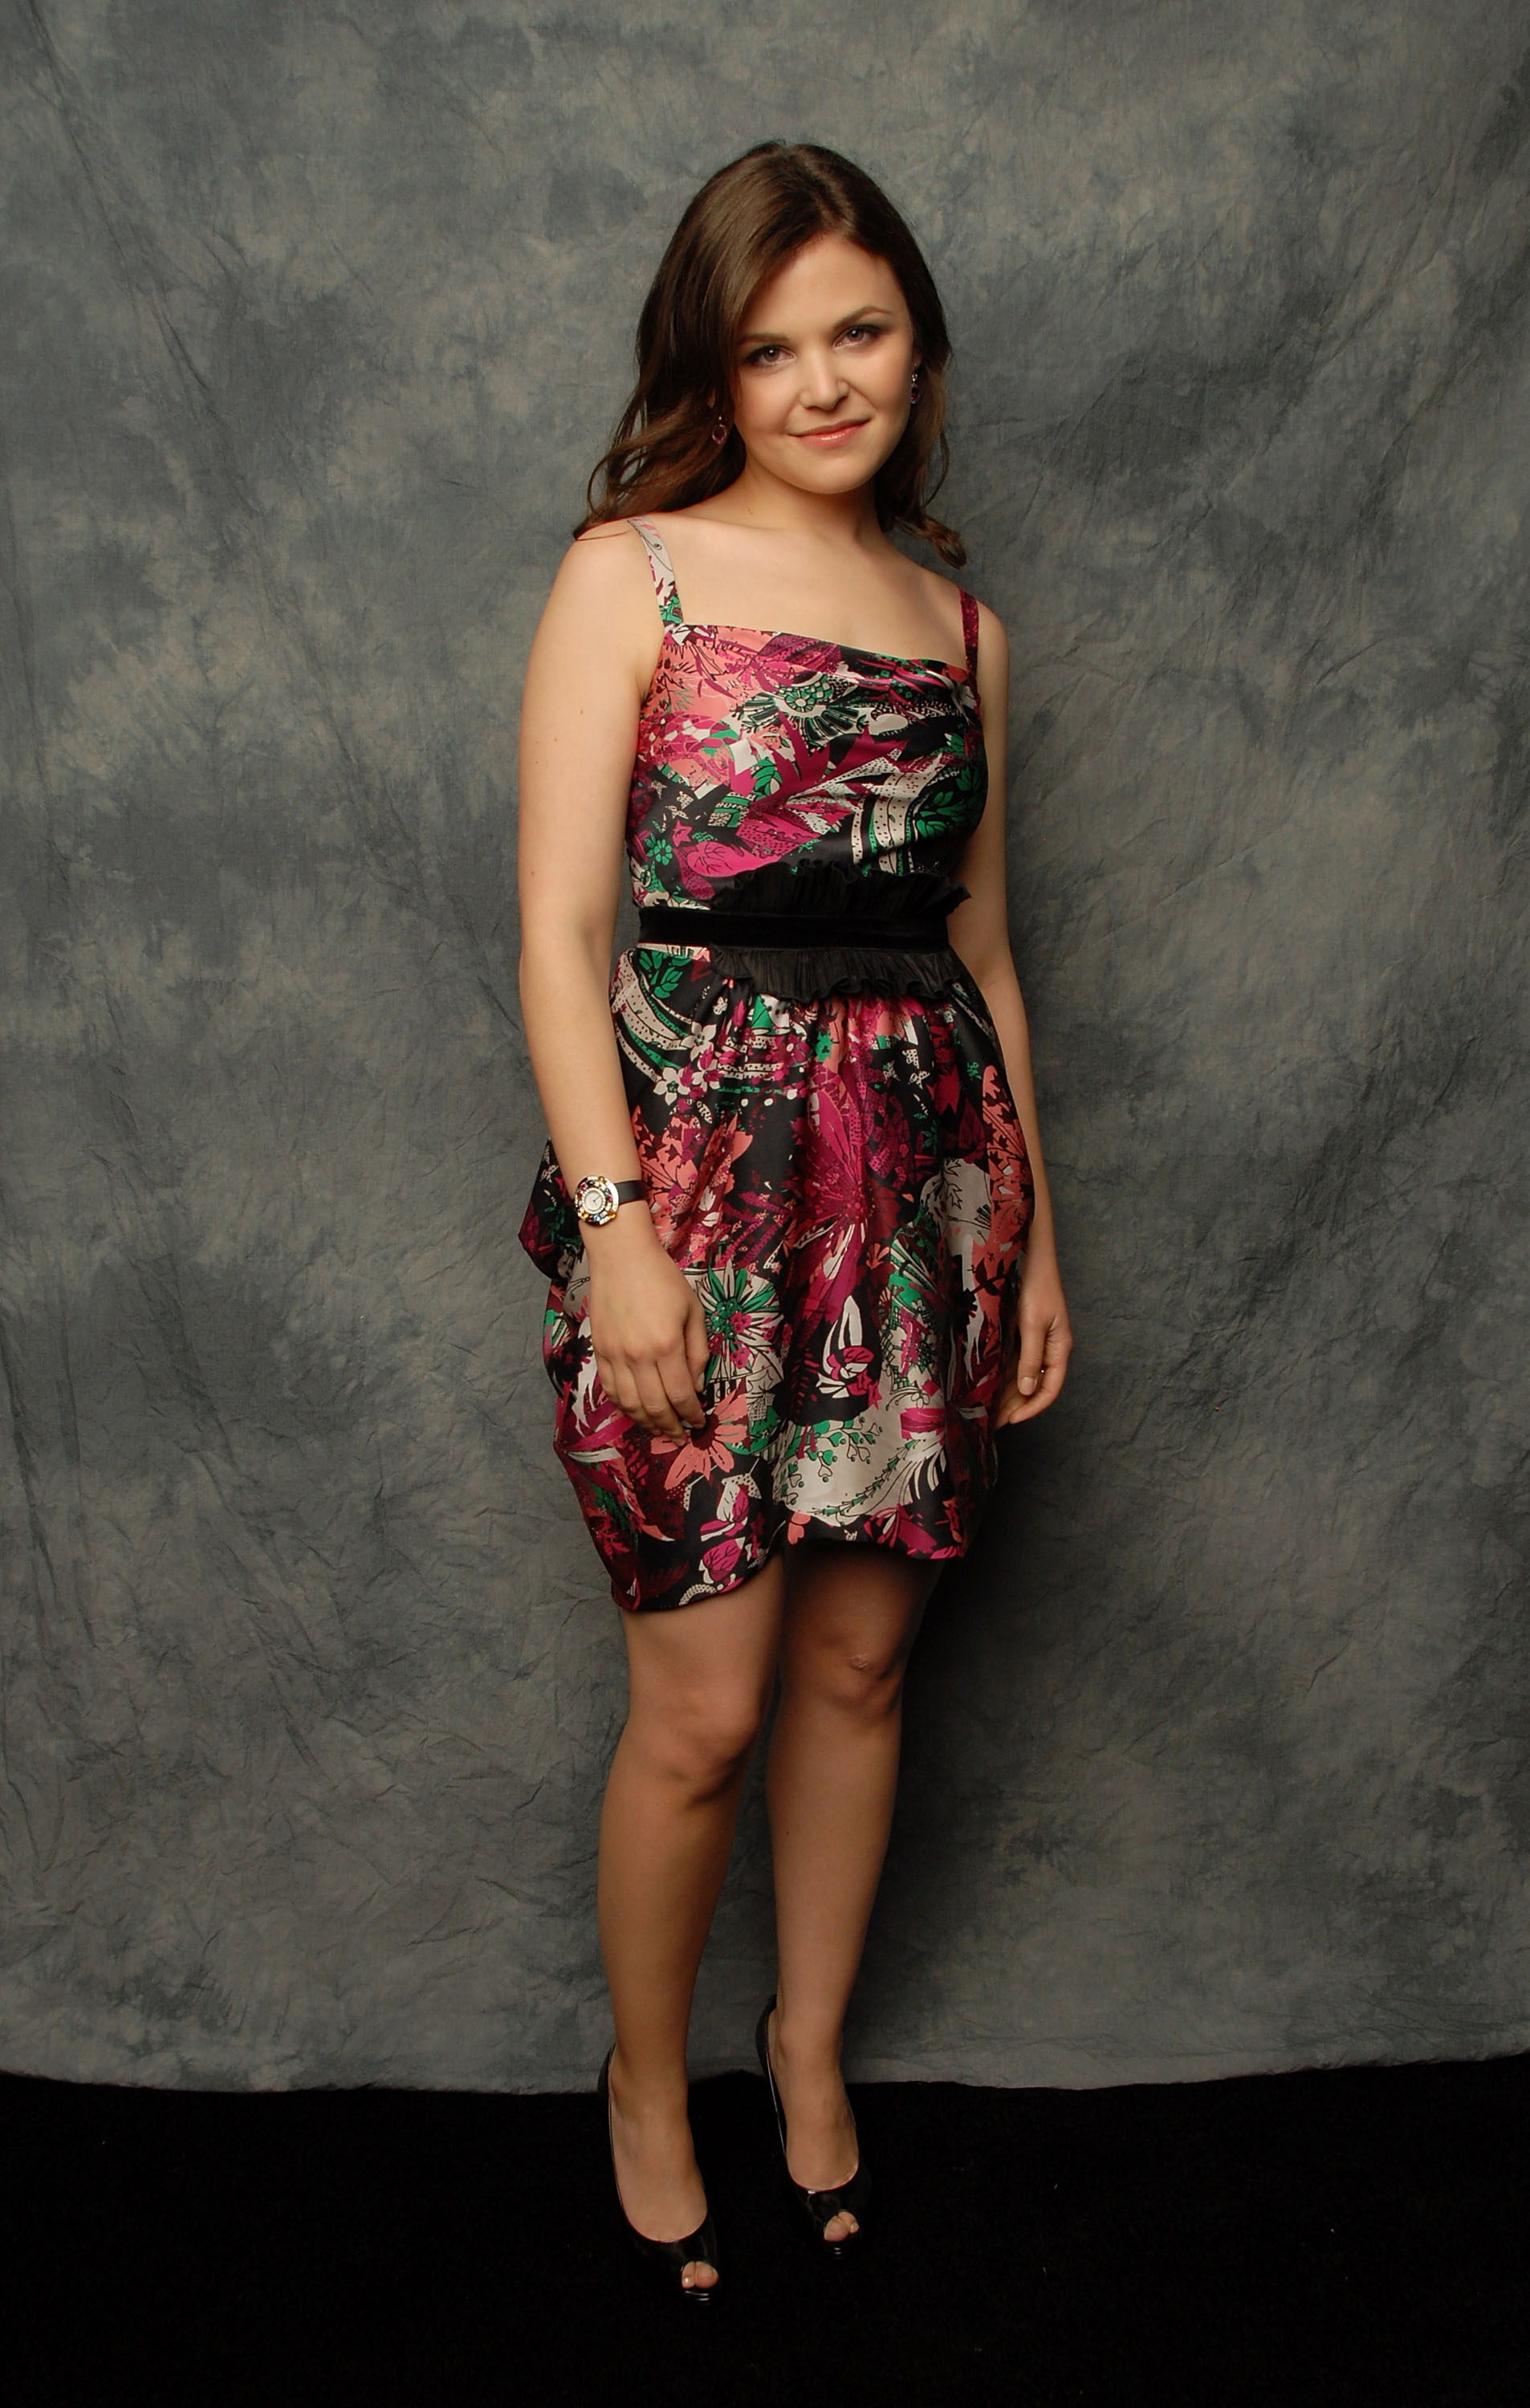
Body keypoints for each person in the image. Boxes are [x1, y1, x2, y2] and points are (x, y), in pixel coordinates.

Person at [516, 140, 1071, 2301]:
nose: (824, 382)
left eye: (860, 331)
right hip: (695, 1195)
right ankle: (648, 2086)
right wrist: (614, 1230)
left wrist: (1038, 1238)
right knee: (706, 1712)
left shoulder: (962, 631)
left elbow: (984, 955)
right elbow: (562, 937)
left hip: (922, 1194)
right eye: (771, 349)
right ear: (713, 371)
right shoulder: (633, 577)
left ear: (918, 345)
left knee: (856, 1667)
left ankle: (806, 2047)